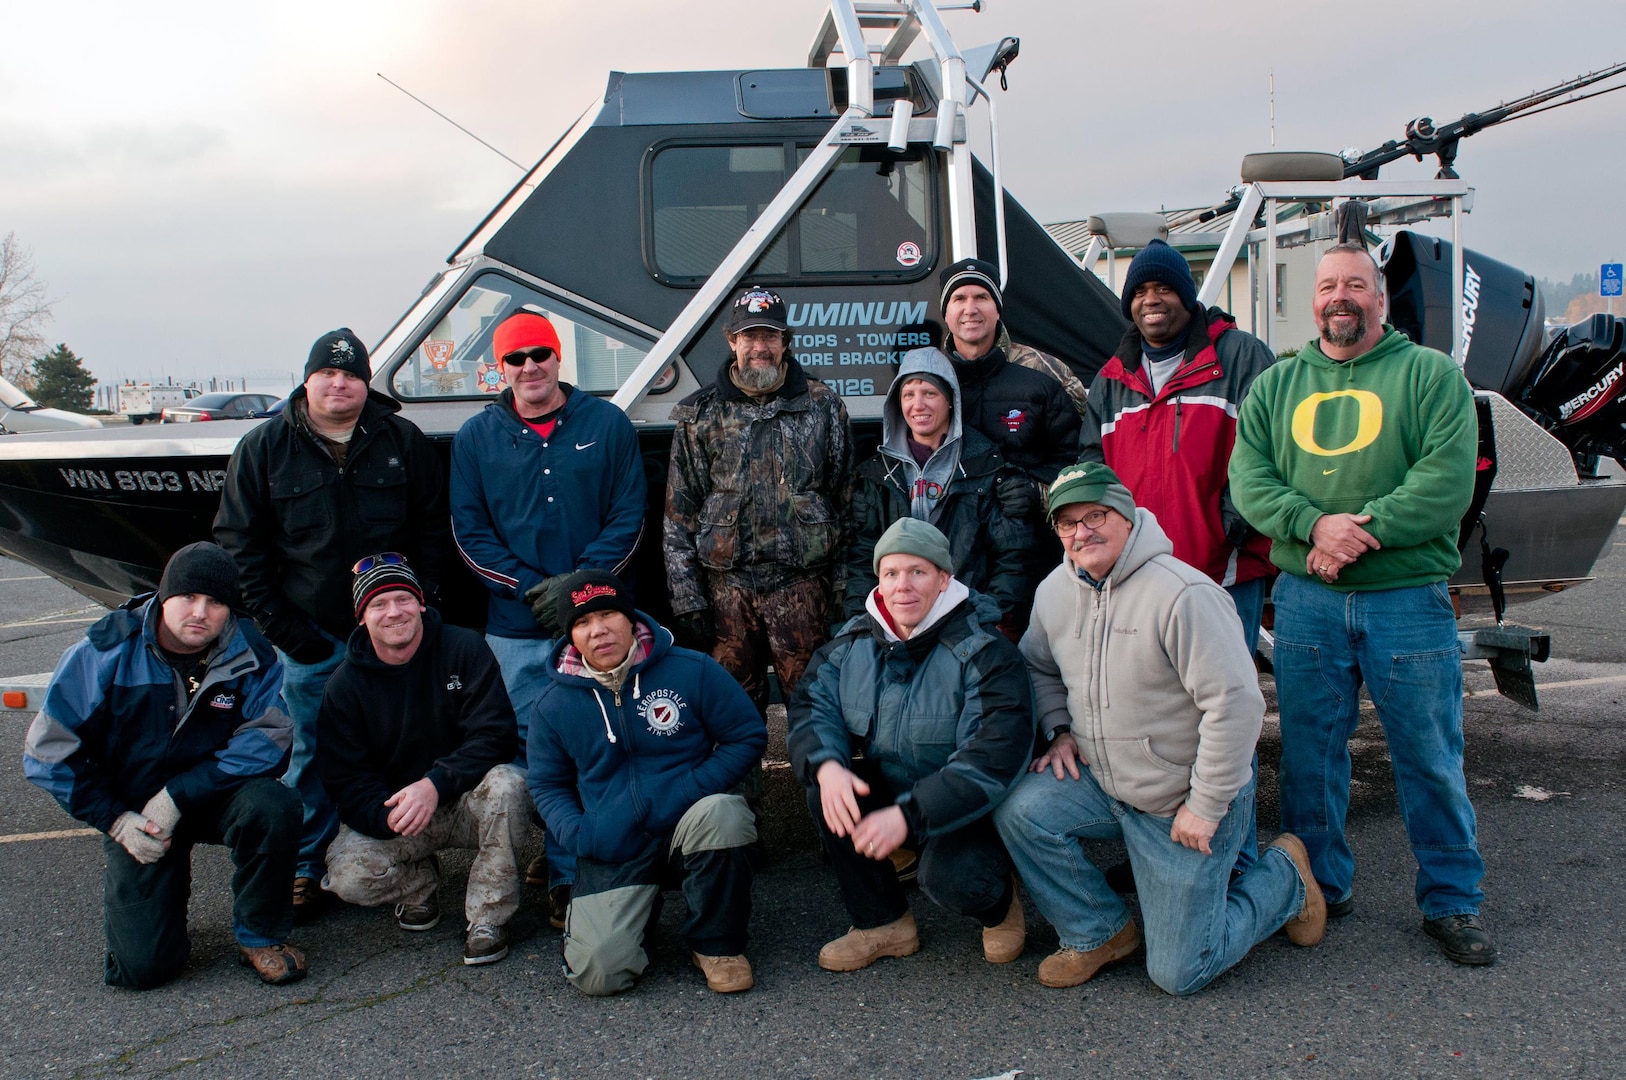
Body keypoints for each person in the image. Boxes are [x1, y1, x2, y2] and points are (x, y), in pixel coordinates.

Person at [1229, 243, 1494, 965]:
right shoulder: (1277, 387)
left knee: (1429, 757)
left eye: (1355, 284)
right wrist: (1313, 526)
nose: (1339, 297)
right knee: (1311, 759)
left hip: (1406, 601)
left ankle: (1452, 900)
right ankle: (1320, 889)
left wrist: (1349, 536)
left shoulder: (1431, 376)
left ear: (1379, 297)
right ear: (1310, 301)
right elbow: (1249, 479)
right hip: (1308, 600)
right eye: (1326, 286)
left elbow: (1444, 484)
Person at [994, 464, 1325, 995]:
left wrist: (1206, 804)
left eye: (1096, 515)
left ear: (1126, 515)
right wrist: (1059, 729)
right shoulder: (1055, 590)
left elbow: (1237, 706)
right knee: (1021, 811)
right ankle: (1099, 931)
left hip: (1178, 799)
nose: (1082, 532)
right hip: (1105, 783)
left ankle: (1284, 876)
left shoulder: (1183, 594)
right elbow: (1037, 665)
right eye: (1068, 523)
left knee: (1179, 972)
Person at [215, 327, 451, 921]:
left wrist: (421, 611)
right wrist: (281, 628)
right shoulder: (264, 447)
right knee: (310, 753)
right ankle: (301, 866)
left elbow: (433, 532)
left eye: (350, 375)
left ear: (366, 383)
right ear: (307, 380)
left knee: (408, 743)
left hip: (396, 635)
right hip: (311, 637)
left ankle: (404, 854)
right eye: (328, 373)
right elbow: (239, 546)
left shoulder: (402, 440)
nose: (339, 383)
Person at [23, 542, 306, 988]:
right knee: (144, 970)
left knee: (274, 805)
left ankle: (259, 935)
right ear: (163, 595)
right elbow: (48, 753)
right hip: (135, 814)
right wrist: (115, 820)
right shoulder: (105, 649)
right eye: (188, 597)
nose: (200, 612)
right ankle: (158, 910)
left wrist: (177, 796)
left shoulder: (251, 651)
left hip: (211, 794)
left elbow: (269, 740)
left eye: (216, 602)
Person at [451, 308, 646, 921]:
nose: (530, 366)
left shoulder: (606, 424)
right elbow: (468, 531)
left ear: (559, 358)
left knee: (602, 742)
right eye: (516, 358)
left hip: (596, 622)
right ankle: (552, 858)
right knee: (532, 753)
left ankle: (575, 876)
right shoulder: (475, 438)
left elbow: (629, 514)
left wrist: (578, 590)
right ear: (499, 368)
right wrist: (532, 587)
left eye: (540, 353)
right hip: (514, 629)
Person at [788, 518, 1033, 972]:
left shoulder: (986, 651)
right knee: (827, 790)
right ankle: (883, 923)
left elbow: (989, 759)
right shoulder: (853, 641)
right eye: (891, 573)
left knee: (952, 878)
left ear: (945, 579)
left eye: (918, 572)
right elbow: (810, 705)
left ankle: (999, 903)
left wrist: (909, 816)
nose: (903, 586)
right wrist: (827, 767)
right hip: (896, 792)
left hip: (968, 807)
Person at [527, 571, 766, 995]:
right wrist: (581, 835)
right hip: (613, 840)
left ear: (630, 617)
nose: (597, 630)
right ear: (571, 636)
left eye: (607, 615)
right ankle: (636, 916)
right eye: (582, 623)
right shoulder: (552, 704)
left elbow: (745, 735)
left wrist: (687, 791)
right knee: (599, 975)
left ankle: (716, 945)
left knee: (724, 814)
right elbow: (547, 785)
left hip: (685, 821)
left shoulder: (691, 669)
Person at [318, 556, 529, 966]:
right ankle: (419, 884)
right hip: (401, 814)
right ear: (362, 618)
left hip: (467, 799)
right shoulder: (343, 687)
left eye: (402, 599)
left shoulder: (464, 648)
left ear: (420, 604)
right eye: (378, 605)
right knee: (348, 878)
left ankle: (487, 918)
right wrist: (387, 817)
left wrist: (435, 784)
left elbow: (496, 736)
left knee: (511, 784)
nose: (393, 611)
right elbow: (345, 781)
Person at [1078, 239, 1275, 653]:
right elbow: (1093, 470)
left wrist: (1230, 526)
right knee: (1156, 704)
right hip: (1137, 576)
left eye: (1163, 289)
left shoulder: (1242, 357)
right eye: (1139, 291)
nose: (1151, 300)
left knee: (1224, 700)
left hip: (1222, 573)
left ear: (1186, 296)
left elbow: (1269, 451)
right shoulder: (1111, 380)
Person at [664, 286, 853, 716]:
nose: (759, 347)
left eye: (770, 336)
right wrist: (687, 598)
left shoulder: (823, 407)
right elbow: (680, 516)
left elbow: (847, 502)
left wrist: (845, 585)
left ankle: (822, 783)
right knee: (730, 711)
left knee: (816, 706)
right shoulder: (699, 414)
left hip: (803, 588)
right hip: (727, 591)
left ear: (786, 342)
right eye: (749, 336)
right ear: (732, 341)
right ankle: (735, 787)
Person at [843, 346, 1035, 633]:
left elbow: (1010, 556)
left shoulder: (985, 466)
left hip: (966, 619)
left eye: (930, 393)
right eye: (908, 394)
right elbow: (861, 560)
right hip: (896, 621)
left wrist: (993, 618)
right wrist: (865, 623)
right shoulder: (875, 474)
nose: (918, 405)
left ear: (950, 401)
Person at [938, 258, 1084, 622]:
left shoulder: (1045, 373)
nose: (970, 309)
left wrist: (1039, 495)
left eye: (982, 297)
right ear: (946, 311)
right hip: (955, 555)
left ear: (997, 308)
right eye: (959, 298)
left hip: (1034, 552)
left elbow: (1086, 467)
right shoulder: (928, 377)